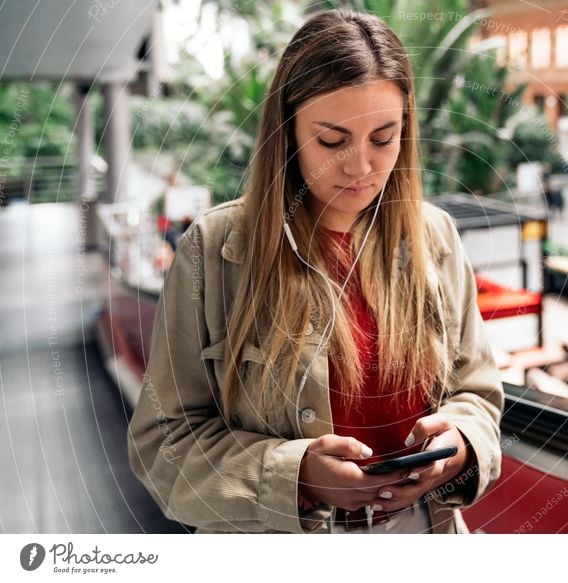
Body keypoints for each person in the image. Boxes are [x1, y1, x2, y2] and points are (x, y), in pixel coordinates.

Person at [127, 9, 503, 535]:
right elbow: (161, 445)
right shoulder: (212, 252)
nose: (360, 166)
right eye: (331, 141)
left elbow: (478, 395)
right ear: (286, 131)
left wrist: (461, 444)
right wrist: (295, 477)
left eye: (383, 138)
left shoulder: (434, 237)